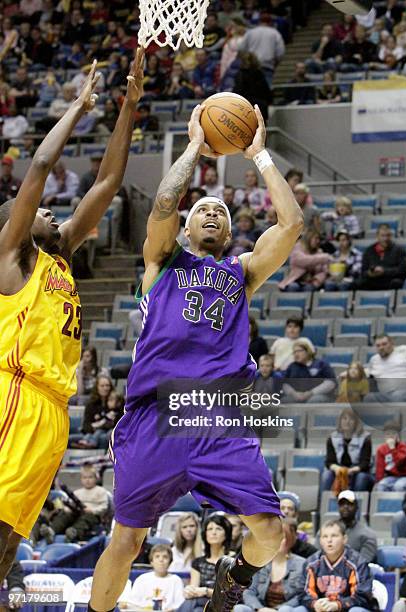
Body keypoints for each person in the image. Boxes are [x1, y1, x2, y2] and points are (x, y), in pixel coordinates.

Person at [88, 103, 304, 612]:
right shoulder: (163, 261)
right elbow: (165, 200)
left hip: (219, 416)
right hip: (156, 415)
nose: (210, 213)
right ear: (187, 230)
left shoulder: (241, 273)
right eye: (203, 209)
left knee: (271, 534)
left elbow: (291, 224)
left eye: (221, 213)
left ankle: (236, 576)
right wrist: (194, 147)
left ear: (229, 235)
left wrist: (258, 154)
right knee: (127, 541)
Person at [0, 50, 145, 581]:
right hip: (14, 398)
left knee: (10, 544)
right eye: (35, 211)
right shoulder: (9, 260)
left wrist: (128, 108)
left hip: (54, 414)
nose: (47, 210)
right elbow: (38, 167)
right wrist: (81, 107)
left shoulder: (59, 256)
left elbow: (106, 184)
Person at [293, 520, 377, 612]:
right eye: (325, 536)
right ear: (320, 541)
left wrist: (338, 605)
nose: (329, 540)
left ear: (344, 539)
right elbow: (303, 593)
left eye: (334, 536)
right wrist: (315, 604)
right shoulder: (311, 563)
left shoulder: (358, 563)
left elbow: (362, 597)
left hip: (347, 609)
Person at [235, 521, 304, 612]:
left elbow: (301, 595)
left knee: (286, 610)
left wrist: (276, 610)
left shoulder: (301, 564)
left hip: (285, 609)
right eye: (274, 538)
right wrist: (260, 608)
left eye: (281, 538)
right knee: (239, 608)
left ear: (289, 540)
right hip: (261, 608)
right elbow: (249, 592)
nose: (277, 542)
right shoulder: (260, 561)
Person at [178, 514, 233, 612]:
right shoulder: (198, 562)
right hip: (202, 603)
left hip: (224, 604)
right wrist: (189, 591)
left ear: (226, 534)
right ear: (205, 534)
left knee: (192, 605)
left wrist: (206, 591)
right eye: (210, 529)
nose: (214, 532)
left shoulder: (233, 562)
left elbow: (231, 595)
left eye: (218, 529)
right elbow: (194, 588)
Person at [321, 408, 373, 492]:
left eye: (351, 419)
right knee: (327, 475)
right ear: (340, 421)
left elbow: (365, 463)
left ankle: (356, 503)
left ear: (356, 422)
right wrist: (339, 469)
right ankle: (325, 502)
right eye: (344, 418)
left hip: (358, 471)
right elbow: (329, 462)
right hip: (339, 470)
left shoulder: (365, 438)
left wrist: (350, 470)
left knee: (361, 478)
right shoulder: (332, 437)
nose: (347, 422)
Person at [120, 544, 185, 611]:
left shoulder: (176, 580)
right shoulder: (142, 579)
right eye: (157, 557)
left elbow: (180, 605)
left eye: (165, 557)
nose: (161, 560)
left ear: (170, 562)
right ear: (151, 562)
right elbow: (133, 602)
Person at [64, 465, 110, 543]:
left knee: (85, 519)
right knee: (64, 515)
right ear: (81, 479)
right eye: (85, 478)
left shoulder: (101, 491)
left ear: (96, 478)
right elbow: (70, 504)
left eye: (90, 477)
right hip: (77, 514)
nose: (87, 480)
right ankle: (52, 530)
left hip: (93, 516)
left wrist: (92, 510)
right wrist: (68, 509)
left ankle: (74, 532)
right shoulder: (77, 492)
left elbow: (104, 507)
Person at [354, 224, 406, 290]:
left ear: (391, 236)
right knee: (357, 283)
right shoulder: (369, 250)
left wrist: (384, 271)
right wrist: (369, 273)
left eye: (388, 235)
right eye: (382, 236)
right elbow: (363, 271)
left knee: (396, 282)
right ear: (377, 236)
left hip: (390, 280)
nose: (385, 239)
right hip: (373, 280)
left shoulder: (399, 250)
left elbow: (401, 271)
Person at [238, 12, 285, 85]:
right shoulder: (275, 33)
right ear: (271, 22)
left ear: (259, 21)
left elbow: (241, 49)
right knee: (265, 92)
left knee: (251, 92)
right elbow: (280, 52)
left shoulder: (250, 32)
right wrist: (275, 63)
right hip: (267, 66)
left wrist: (246, 61)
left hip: (251, 66)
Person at [73, 375, 115, 449]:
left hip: (108, 431)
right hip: (92, 432)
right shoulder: (91, 404)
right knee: (71, 438)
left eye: (107, 385)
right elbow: (86, 425)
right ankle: (86, 444)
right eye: (102, 386)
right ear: (97, 388)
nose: (105, 388)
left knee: (103, 435)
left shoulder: (116, 402)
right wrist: (95, 427)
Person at [336, 490, 377, 563]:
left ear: (357, 507)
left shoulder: (368, 535)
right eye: (342, 504)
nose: (345, 507)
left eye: (350, 504)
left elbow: (363, 563)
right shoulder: (326, 532)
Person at [364, 336, 406, 403]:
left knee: (397, 396)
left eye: (384, 344)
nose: (381, 348)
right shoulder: (374, 359)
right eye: (378, 346)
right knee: (368, 398)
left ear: (392, 344)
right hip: (384, 395)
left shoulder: (403, 352)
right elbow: (368, 371)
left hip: (404, 392)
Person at [375, 421, 406, 492]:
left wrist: (392, 448)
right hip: (391, 477)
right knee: (381, 486)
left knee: (399, 486)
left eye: (393, 433)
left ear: (398, 435)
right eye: (387, 434)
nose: (390, 436)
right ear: (384, 436)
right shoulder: (381, 449)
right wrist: (378, 482)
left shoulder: (404, 447)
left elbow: (399, 463)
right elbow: (380, 469)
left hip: (405, 476)